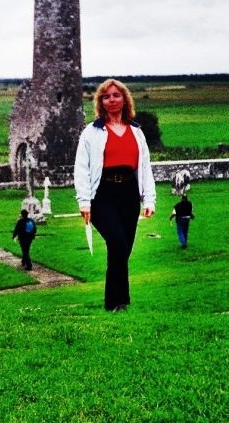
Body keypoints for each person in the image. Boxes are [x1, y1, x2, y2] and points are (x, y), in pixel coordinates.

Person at [74, 79, 156, 312]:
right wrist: (84, 201)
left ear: (124, 99)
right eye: (106, 96)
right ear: (101, 102)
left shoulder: (136, 131)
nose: (112, 100)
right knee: (117, 243)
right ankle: (118, 302)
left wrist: (149, 199)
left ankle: (116, 302)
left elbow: (145, 167)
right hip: (103, 194)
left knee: (123, 249)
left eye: (116, 95)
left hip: (129, 193)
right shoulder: (91, 132)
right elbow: (81, 168)